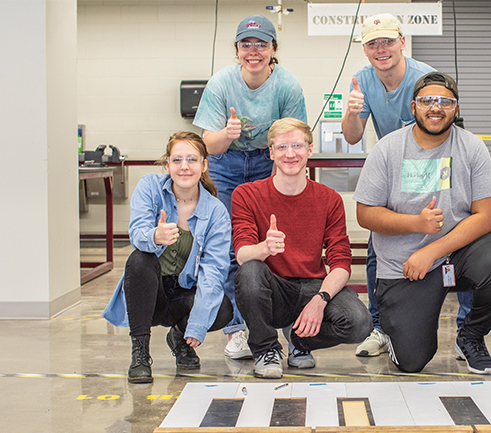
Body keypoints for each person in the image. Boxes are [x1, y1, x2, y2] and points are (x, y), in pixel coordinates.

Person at [353, 72, 491, 374]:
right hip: (405, 265)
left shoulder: (472, 147)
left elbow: (488, 215)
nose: (436, 107)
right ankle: (397, 334)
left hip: (457, 254)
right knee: (411, 361)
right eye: (427, 100)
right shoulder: (388, 149)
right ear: (413, 106)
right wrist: (416, 224)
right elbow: (365, 213)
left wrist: (432, 250)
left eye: (445, 102)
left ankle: (470, 337)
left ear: (456, 109)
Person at [341, 14, 472, 358]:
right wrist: (352, 112)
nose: (381, 49)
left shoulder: (424, 78)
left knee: (456, 241)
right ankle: (380, 328)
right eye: (373, 43)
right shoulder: (363, 81)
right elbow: (353, 137)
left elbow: (451, 128)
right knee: (377, 246)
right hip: (395, 169)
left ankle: (465, 331)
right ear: (365, 49)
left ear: (401, 41)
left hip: (435, 163)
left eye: (387, 41)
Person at [193, 14, 307, 363]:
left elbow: (293, 140)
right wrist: (226, 135)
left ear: (273, 50)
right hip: (227, 165)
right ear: (237, 49)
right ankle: (239, 330)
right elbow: (208, 146)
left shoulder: (287, 86)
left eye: (261, 44)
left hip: (267, 162)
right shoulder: (221, 83)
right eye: (246, 44)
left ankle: (291, 327)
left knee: (274, 244)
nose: (253, 51)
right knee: (230, 247)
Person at [232, 118, 372, 378]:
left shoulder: (329, 199)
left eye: (297, 145)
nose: (290, 153)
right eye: (282, 146)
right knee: (250, 271)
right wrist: (265, 247)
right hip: (273, 289)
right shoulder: (246, 194)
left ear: (309, 150)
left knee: (360, 322)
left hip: (312, 286)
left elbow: (341, 262)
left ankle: (300, 342)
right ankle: (266, 349)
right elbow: (242, 255)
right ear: (271, 153)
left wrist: (321, 300)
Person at [103, 131, 234, 384]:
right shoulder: (150, 187)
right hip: (149, 295)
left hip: (184, 293)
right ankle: (140, 353)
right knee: (140, 259)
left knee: (223, 309)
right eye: (177, 160)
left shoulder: (215, 211)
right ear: (167, 164)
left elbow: (214, 270)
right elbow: (136, 233)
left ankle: (180, 338)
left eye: (192, 160)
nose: (184, 167)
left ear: (204, 165)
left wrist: (196, 325)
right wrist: (154, 236)